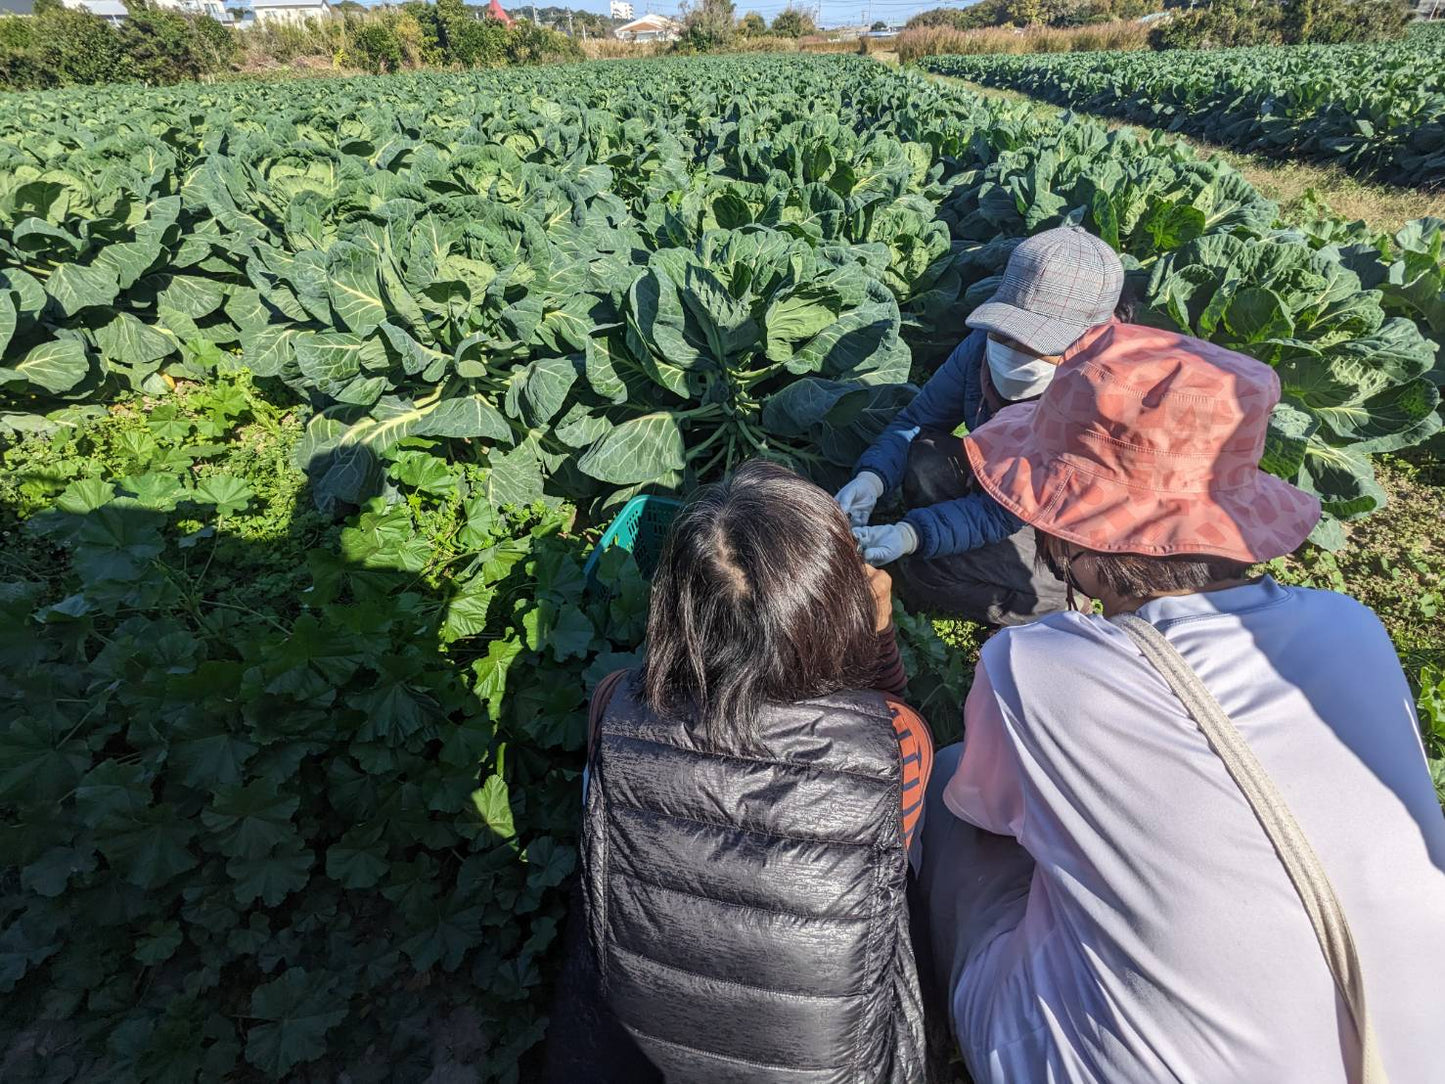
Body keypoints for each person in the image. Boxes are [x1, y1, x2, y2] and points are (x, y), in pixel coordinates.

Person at [918, 321, 1445, 1083]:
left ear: (1075, 534)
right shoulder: (1353, 627)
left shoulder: (1032, 664)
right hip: (1405, 1051)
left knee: (950, 782)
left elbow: (988, 815)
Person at [551, 460, 934, 1083]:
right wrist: (880, 638)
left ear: (674, 606)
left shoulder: (614, 703)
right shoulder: (898, 740)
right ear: (837, 612)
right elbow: (889, 719)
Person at [837, 224, 1126, 627]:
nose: (1013, 352)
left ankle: (1062, 597)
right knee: (926, 455)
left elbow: (1007, 511)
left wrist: (914, 534)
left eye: (1039, 347)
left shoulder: (1098, 399)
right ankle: (950, 545)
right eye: (1007, 335)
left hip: (1056, 526)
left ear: (1086, 345)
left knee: (934, 573)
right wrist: (872, 478)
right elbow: (917, 419)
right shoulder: (980, 348)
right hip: (999, 486)